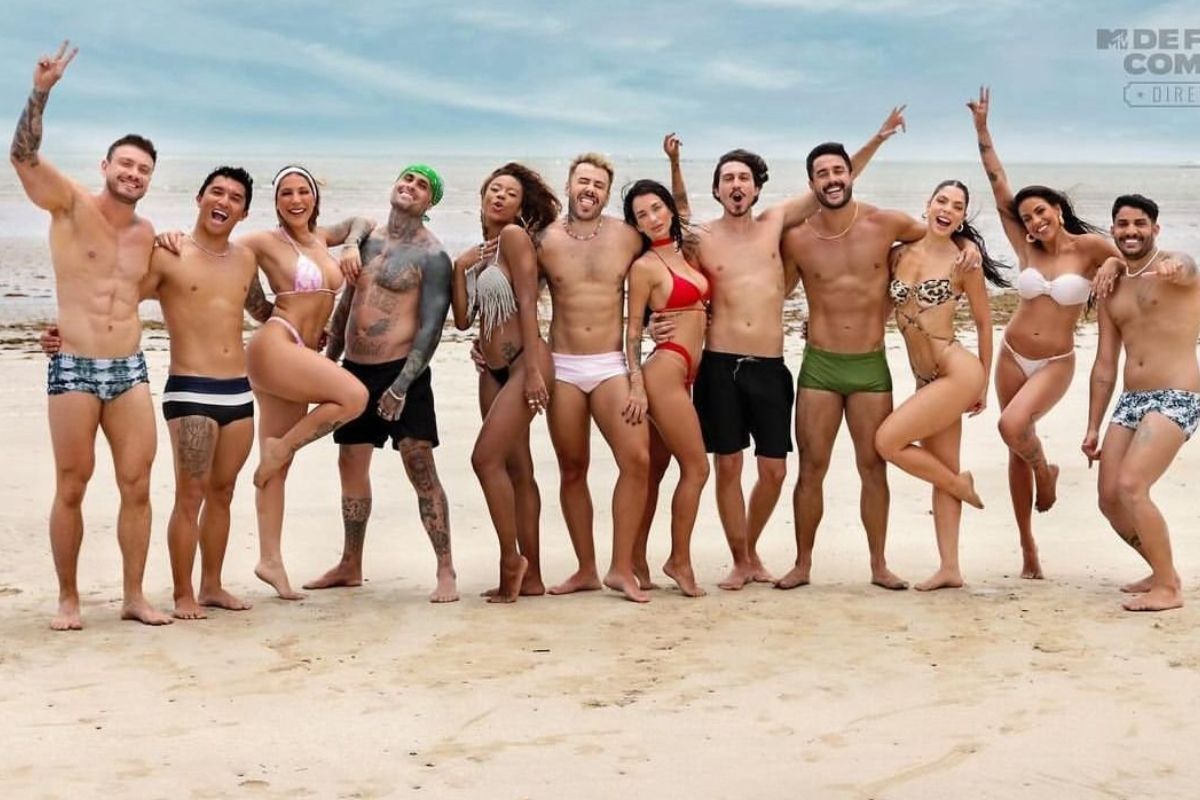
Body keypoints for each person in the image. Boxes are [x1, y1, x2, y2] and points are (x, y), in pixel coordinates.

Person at [657, 112, 906, 590]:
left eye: (744, 178)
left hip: (770, 366)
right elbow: (674, 225)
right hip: (720, 363)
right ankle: (742, 560)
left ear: (756, 189)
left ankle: (751, 549)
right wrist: (675, 165)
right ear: (717, 190)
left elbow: (835, 182)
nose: (736, 185)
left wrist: (877, 138)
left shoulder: (775, 224)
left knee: (773, 471)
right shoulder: (703, 236)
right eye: (727, 179)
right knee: (728, 466)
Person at [44, 167, 265, 620]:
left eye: (235, 197)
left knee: (224, 492)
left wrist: (310, 322)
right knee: (191, 495)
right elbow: (115, 298)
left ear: (244, 213)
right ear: (200, 198)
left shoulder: (246, 259)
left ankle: (212, 585)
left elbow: (262, 308)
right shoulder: (168, 253)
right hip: (191, 389)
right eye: (216, 192)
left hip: (239, 391)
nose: (224, 201)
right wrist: (64, 331)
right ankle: (183, 594)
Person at [11, 41, 170, 629]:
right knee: (73, 485)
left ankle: (134, 596)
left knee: (137, 484)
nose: (134, 173)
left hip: (129, 369)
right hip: (74, 366)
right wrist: (41, 92)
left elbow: (164, 287)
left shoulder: (149, 234)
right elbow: (23, 156)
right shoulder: (69, 204)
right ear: (105, 167)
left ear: (150, 180)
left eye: (144, 169)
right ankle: (69, 599)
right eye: (125, 164)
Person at [778, 137, 984, 591]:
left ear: (850, 174)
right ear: (812, 183)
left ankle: (878, 565)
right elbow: (773, 288)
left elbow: (937, 233)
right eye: (822, 173)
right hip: (819, 367)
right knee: (811, 469)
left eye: (839, 170)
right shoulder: (797, 238)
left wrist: (969, 244)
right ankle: (802, 564)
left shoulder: (885, 224)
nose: (832, 179)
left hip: (870, 367)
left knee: (873, 468)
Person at [163, 166, 373, 600]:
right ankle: (283, 446)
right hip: (276, 344)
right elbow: (214, 247)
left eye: (303, 191)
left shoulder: (323, 239)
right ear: (275, 203)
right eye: (285, 194)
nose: (295, 200)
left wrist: (352, 243)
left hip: (300, 351)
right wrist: (173, 238)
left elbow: (364, 221)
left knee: (277, 471)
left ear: (314, 197)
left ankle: (270, 560)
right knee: (354, 396)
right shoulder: (263, 241)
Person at [969, 87, 1120, 579]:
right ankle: (1028, 548)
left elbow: (1133, 258)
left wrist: (1113, 264)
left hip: (1055, 362)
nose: (1034, 221)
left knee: (1012, 427)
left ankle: (1046, 474)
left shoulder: (1090, 247)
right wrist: (983, 130)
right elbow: (997, 183)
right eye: (1027, 217)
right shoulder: (1026, 247)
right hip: (1012, 353)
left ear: (1057, 208)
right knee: (1015, 447)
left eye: (1041, 211)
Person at [301, 165, 458, 602]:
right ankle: (350, 564)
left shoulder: (433, 256)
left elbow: (431, 327)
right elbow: (347, 305)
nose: (411, 187)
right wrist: (329, 363)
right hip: (355, 369)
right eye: (407, 179)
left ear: (429, 203)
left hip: (401, 373)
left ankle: (446, 569)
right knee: (351, 463)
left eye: (422, 186)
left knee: (420, 466)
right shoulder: (368, 240)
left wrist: (402, 386)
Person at [874, 180, 1009, 590]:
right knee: (942, 467)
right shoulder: (898, 255)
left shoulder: (963, 262)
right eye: (942, 201)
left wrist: (983, 382)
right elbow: (878, 306)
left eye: (957, 205)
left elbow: (984, 323)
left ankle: (958, 485)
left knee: (887, 442)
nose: (947, 209)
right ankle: (950, 568)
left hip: (957, 372)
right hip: (925, 377)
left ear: (962, 217)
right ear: (928, 204)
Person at [535, 153, 652, 602]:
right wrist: (493, 349)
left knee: (636, 460)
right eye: (583, 181)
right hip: (562, 367)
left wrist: (676, 320)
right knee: (572, 469)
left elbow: (672, 255)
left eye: (599, 185)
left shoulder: (627, 236)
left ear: (606, 194)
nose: (590, 190)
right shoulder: (543, 239)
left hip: (610, 365)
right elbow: (516, 295)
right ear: (569, 185)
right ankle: (585, 568)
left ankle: (621, 567)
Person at [1083, 194, 1200, 612]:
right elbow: (1104, 364)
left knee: (1133, 485)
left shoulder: (1176, 268)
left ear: (1155, 228)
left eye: (1140, 224)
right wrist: (1093, 426)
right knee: (1109, 497)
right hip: (1130, 399)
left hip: (1177, 394)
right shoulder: (1110, 286)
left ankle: (1168, 588)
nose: (1131, 231)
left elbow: (1188, 265)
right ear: (1113, 230)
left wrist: (1175, 266)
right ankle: (1159, 569)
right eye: (1123, 224)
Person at [452, 163, 557, 602]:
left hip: (524, 365)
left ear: (520, 207)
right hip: (491, 371)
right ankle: (532, 577)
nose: (499, 197)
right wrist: (461, 267)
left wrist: (532, 370)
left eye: (510, 194)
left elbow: (528, 302)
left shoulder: (514, 237)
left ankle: (511, 561)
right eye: (494, 190)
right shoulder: (480, 254)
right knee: (517, 469)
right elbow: (463, 321)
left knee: (484, 460)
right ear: (482, 197)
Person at [623, 178, 710, 597]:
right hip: (664, 372)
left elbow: (686, 205)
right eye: (642, 215)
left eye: (657, 208)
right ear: (636, 226)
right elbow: (632, 332)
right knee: (697, 468)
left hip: (687, 374)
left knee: (656, 471)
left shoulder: (685, 251)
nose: (653, 218)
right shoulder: (644, 267)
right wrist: (636, 384)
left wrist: (676, 164)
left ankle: (636, 560)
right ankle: (679, 560)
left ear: (669, 210)